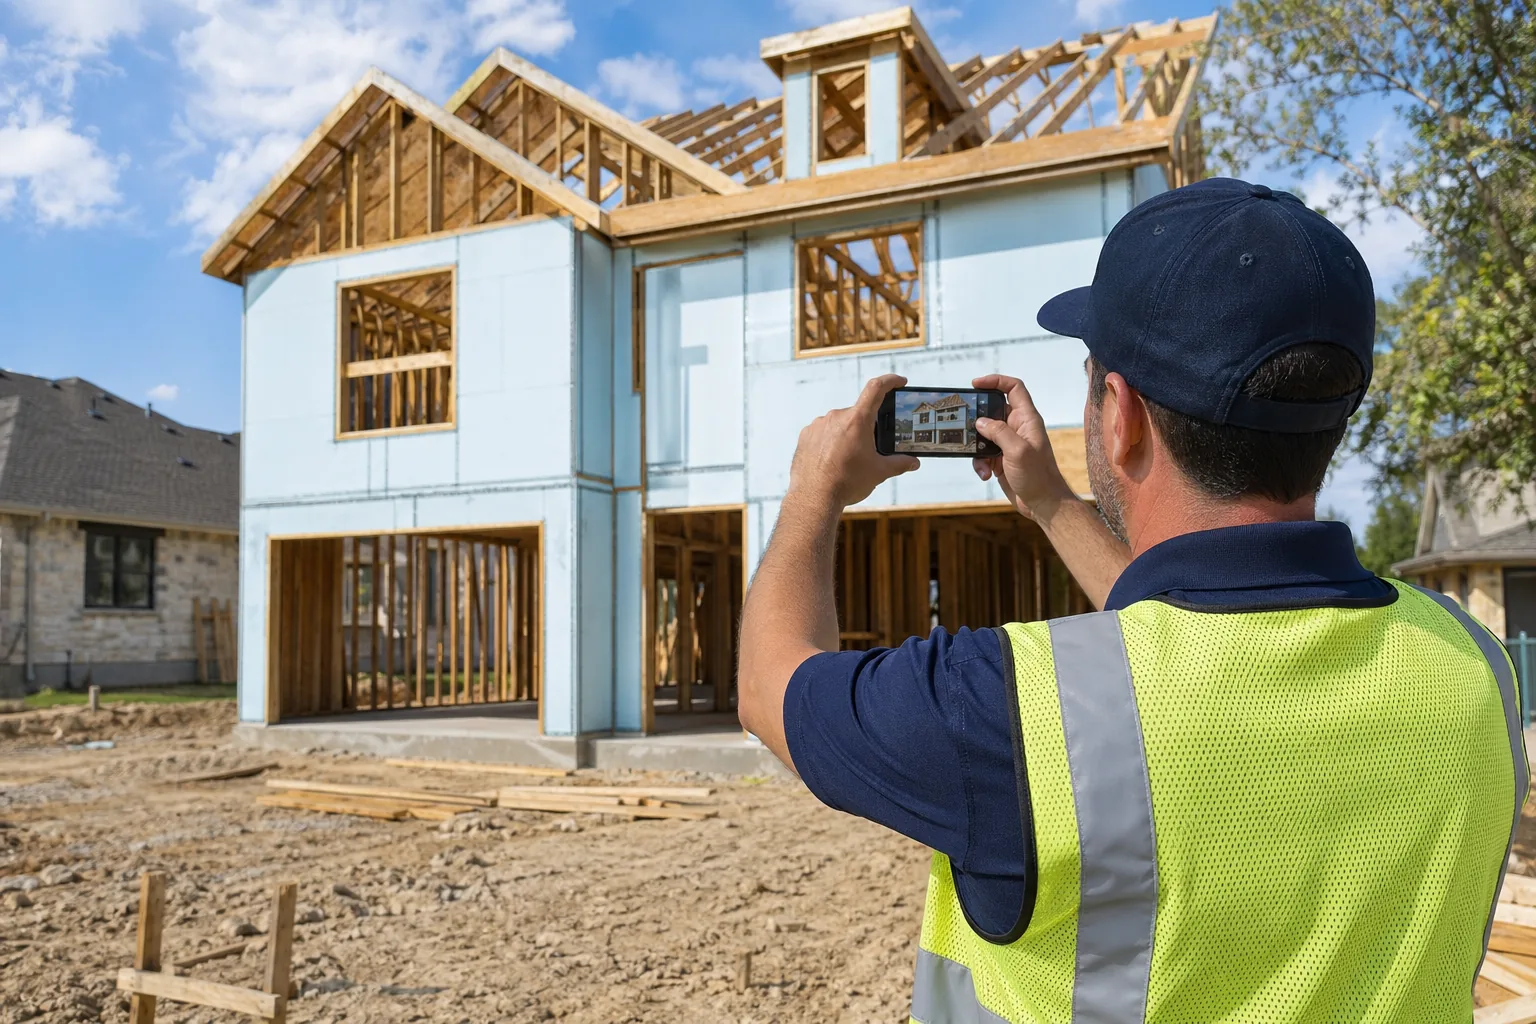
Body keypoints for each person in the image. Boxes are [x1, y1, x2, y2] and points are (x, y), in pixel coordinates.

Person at [736, 178, 1527, 1023]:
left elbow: (771, 681)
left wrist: (814, 489)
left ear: (1119, 416)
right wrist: (1049, 502)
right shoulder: (1474, 667)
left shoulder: (1007, 710)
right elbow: (1183, 634)